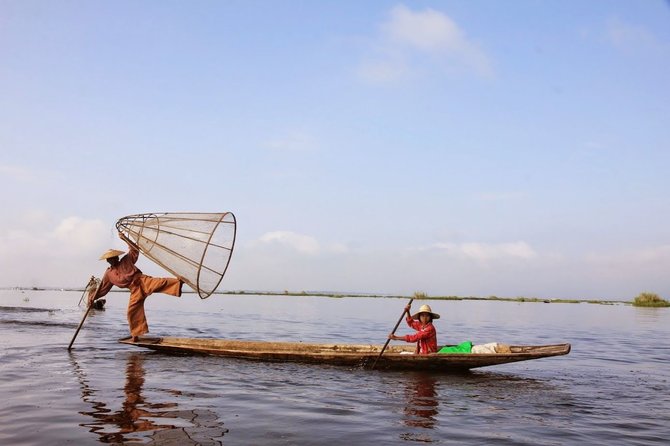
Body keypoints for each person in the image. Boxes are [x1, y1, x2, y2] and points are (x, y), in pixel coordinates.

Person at [89, 232, 183, 341]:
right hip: (134, 290)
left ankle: (179, 282)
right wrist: (93, 297)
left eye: (114, 258)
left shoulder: (126, 260)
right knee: (131, 311)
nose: (113, 260)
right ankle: (136, 334)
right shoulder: (109, 274)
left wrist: (124, 238)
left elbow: (135, 249)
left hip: (142, 281)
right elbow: (103, 288)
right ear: (108, 261)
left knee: (160, 283)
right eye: (110, 259)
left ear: (117, 258)